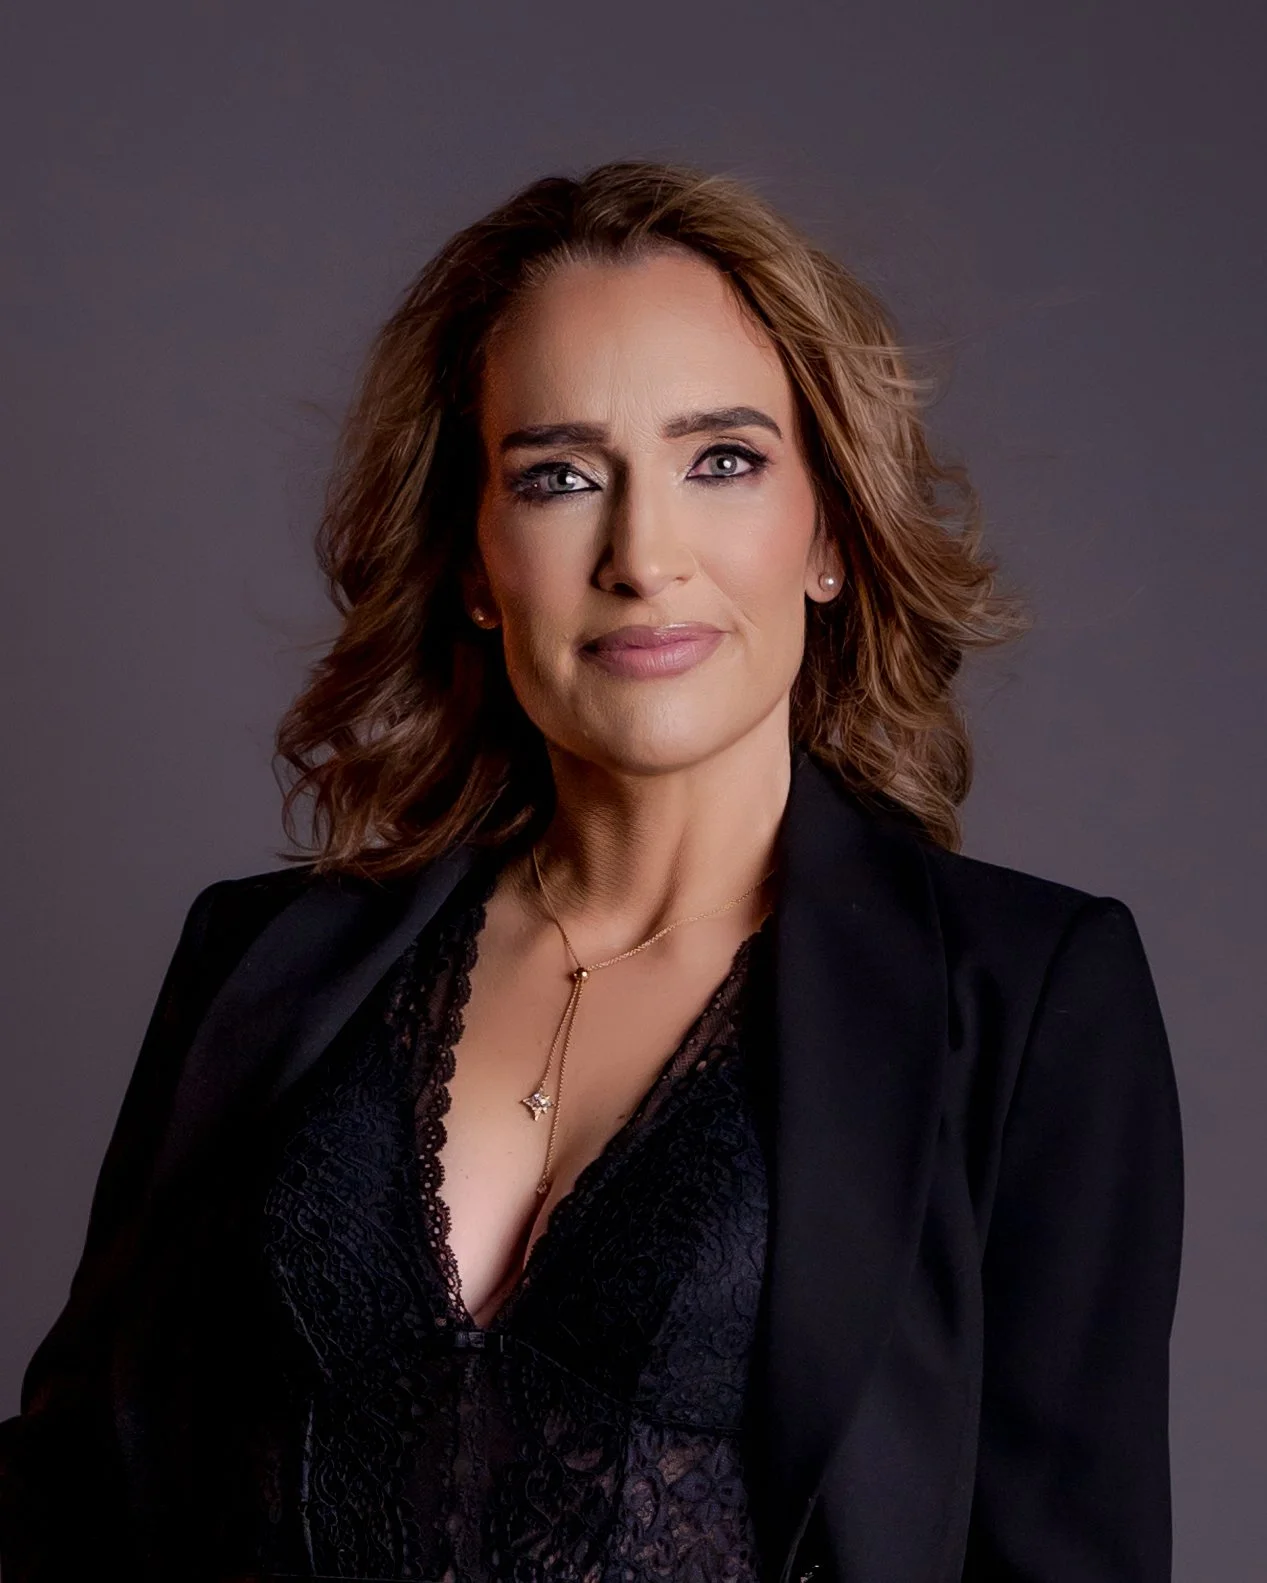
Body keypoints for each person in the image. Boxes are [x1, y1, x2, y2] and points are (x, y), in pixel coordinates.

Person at [0, 160, 1184, 1583]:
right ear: (475, 561)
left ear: (827, 531)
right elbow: (71, 1501)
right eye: (558, 478)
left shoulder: (1027, 1002)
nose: (642, 555)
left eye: (722, 460)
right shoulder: (258, 964)